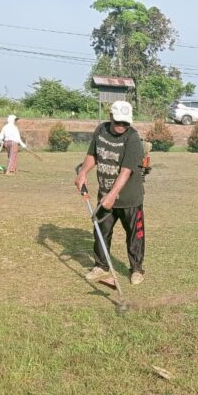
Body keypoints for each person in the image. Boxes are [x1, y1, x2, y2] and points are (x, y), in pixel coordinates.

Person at [74, 101, 147, 286]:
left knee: (134, 235)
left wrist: (113, 195)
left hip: (129, 197)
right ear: (110, 117)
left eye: (125, 123)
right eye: (118, 122)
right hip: (104, 192)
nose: (122, 126)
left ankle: (137, 269)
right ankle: (101, 265)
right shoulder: (101, 131)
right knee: (100, 231)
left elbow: (126, 170)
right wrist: (83, 172)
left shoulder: (133, 139)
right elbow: (93, 155)